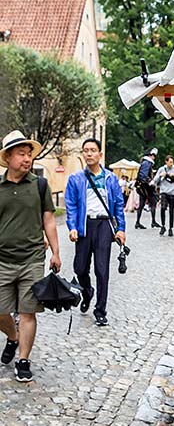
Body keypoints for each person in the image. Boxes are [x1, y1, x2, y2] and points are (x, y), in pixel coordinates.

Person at [0, 130, 61, 382]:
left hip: (32, 259)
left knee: (28, 312)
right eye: (21, 154)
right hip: (2, 260)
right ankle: (12, 336)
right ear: (8, 157)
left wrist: (56, 252)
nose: (27, 159)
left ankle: (23, 360)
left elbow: (49, 219)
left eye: (29, 154)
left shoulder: (39, 185)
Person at [65, 138, 126, 327]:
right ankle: (87, 291)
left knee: (102, 270)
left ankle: (100, 310)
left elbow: (118, 205)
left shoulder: (110, 178)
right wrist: (72, 226)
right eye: (86, 150)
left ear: (100, 154)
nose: (89, 153)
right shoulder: (76, 179)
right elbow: (71, 205)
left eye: (93, 150)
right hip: (84, 226)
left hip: (104, 226)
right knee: (80, 268)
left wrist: (120, 229)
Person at [154, 155, 174, 236]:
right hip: (164, 191)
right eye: (170, 162)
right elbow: (155, 180)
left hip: (172, 192)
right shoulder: (161, 169)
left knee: (171, 210)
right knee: (163, 208)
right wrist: (161, 175)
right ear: (166, 162)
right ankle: (163, 226)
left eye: (172, 162)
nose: (171, 164)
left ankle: (171, 228)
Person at [135, 148, 160, 229]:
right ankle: (153, 222)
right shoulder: (147, 163)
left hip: (143, 187)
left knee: (142, 204)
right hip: (146, 187)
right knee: (153, 202)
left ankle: (138, 222)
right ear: (151, 155)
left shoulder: (145, 163)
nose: (154, 158)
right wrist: (150, 182)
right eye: (154, 156)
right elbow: (143, 175)